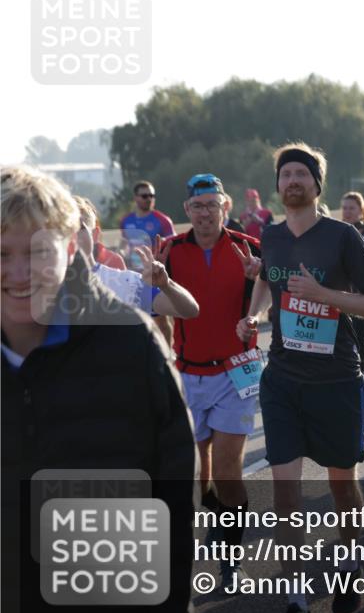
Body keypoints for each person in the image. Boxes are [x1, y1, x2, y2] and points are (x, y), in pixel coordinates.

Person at [1, 166, 194, 613]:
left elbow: (170, 517)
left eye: (39, 252)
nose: (20, 273)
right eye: (2, 254)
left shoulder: (131, 347)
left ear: (70, 249)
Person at [236, 143, 364, 613]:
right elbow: (267, 281)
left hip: (336, 379)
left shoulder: (342, 236)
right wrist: (255, 314)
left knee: (343, 487)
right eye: (286, 174)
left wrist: (326, 297)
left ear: (317, 185)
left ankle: (347, 566)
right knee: (285, 492)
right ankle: (297, 600)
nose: (293, 181)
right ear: (278, 186)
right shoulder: (271, 235)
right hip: (282, 378)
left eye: (302, 173)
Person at [161, 172, 263, 589]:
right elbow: (156, 305)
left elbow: (277, 293)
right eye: (197, 206)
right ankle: (220, 518)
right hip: (187, 371)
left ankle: (230, 561)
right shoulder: (170, 251)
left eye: (212, 205)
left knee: (227, 472)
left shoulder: (250, 249)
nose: (205, 213)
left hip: (236, 371)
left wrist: (262, 284)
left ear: (225, 207)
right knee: (195, 475)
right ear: (187, 210)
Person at [76, 195, 199, 319]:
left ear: (95, 235)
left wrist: (166, 285)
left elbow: (190, 310)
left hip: (147, 269)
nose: (70, 237)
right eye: (61, 231)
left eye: (79, 229)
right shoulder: (56, 286)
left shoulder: (123, 282)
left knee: (161, 324)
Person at [121, 179, 177, 345]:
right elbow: (124, 243)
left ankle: (168, 356)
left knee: (161, 320)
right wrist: (121, 253)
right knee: (137, 319)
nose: (149, 199)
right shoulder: (126, 220)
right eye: (145, 195)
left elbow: (171, 245)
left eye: (152, 195)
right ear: (136, 198)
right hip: (134, 275)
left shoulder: (162, 220)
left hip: (154, 275)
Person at [340, 191, 364, 397]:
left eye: (351, 208)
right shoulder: (336, 231)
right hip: (342, 293)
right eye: (344, 208)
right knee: (346, 335)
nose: (347, 212)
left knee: (359, 336)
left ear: (361, 210)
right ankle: (353, 373)